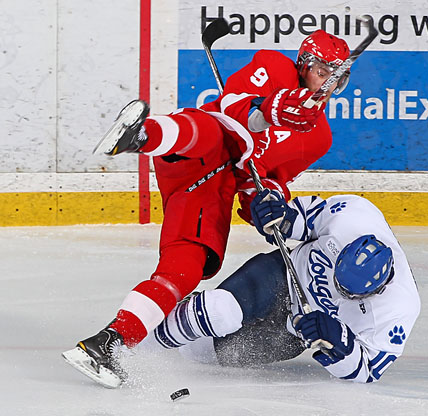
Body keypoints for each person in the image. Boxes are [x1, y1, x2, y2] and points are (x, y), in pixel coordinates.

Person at [62, 29, 352, 388]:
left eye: (338, 77)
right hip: (191, 151)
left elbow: (267, 178)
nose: (328, 83)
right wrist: (267, 110)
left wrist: (267, 205)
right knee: (215, 131)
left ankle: (108, 344)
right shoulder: (275, 66)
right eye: (323, 71)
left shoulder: (319, 137)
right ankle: (142, 135)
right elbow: (231, 103)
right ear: (304, 65)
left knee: (188, 267)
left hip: (211, 189)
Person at [145, 193, 421, 383]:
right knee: (219, 312)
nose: (338, 289)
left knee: (201, 353)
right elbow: (302, 220)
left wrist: (341, 344)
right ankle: (133, 345)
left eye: (347, 293)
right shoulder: (354, 216)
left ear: (376, 291)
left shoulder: (399, 308)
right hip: (281, 274)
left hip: (293, 332)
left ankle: (183, 317)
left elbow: (368, 370)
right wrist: (279, 216)